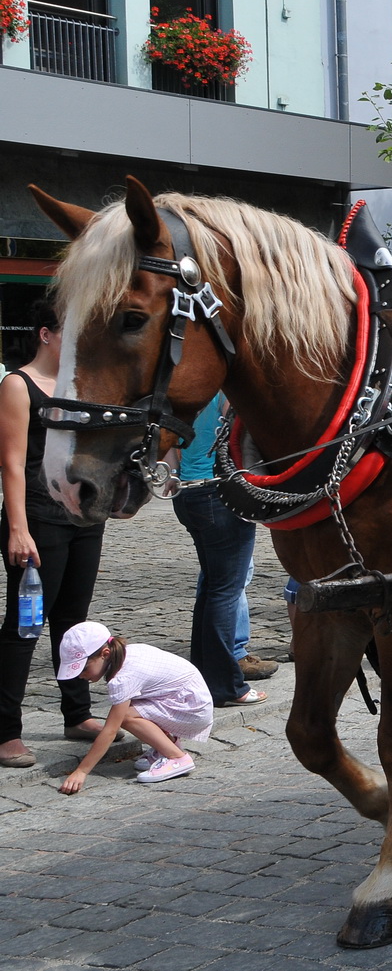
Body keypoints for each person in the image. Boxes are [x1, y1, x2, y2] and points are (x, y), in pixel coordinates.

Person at [0, 299, 108, 769]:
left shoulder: (79, 385)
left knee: (74, 622)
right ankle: (6, 732)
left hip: (82, 518)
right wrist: (18, 529)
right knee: (26, 624)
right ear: (46, 334)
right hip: (39, 519)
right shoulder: (17, 385)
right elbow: (11, 464)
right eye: (71, 333)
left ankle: (77, 713)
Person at [171, 397, 269, 708]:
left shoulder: (186, 393)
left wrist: (177, 477)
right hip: (218, 492)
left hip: (189, 493)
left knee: (213, 588)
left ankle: (205, 676)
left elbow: (172, 445)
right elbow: (242, 434)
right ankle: (227, 685)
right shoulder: (223, 393)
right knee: (225, 591)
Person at [55, 621, 212, 791]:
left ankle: (176, 758)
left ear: (104, 654)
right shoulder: (127, 653)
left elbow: (110, 731)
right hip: (190, 700)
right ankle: (166, 745)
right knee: (129, 707)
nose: (80, 676)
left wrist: (81, 771)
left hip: (192, 708)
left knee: (125, 716)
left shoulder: (124, 677)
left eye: (83, 668)